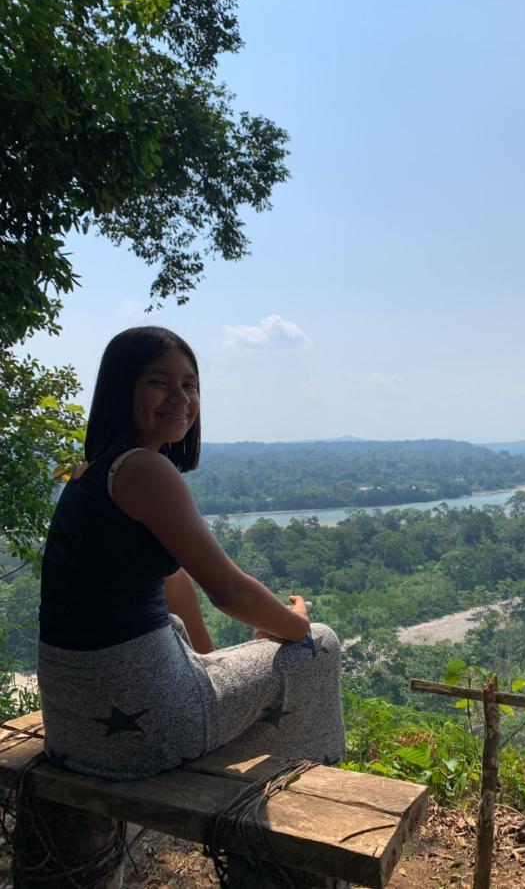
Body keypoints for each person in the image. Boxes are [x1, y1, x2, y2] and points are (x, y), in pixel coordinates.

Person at [38, 327, 345, 780]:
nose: (179, 397)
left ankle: (226, 751)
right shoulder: (144, 468)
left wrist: (207, 659)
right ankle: (301, 789)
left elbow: (173, 580)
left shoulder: (92, 472)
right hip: (149, 732)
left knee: (189, 638)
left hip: (76, 728)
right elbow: (231, 592)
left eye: (190, 385)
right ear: (121, 389)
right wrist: (294, 621)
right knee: (320, 645)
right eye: (158, 382)